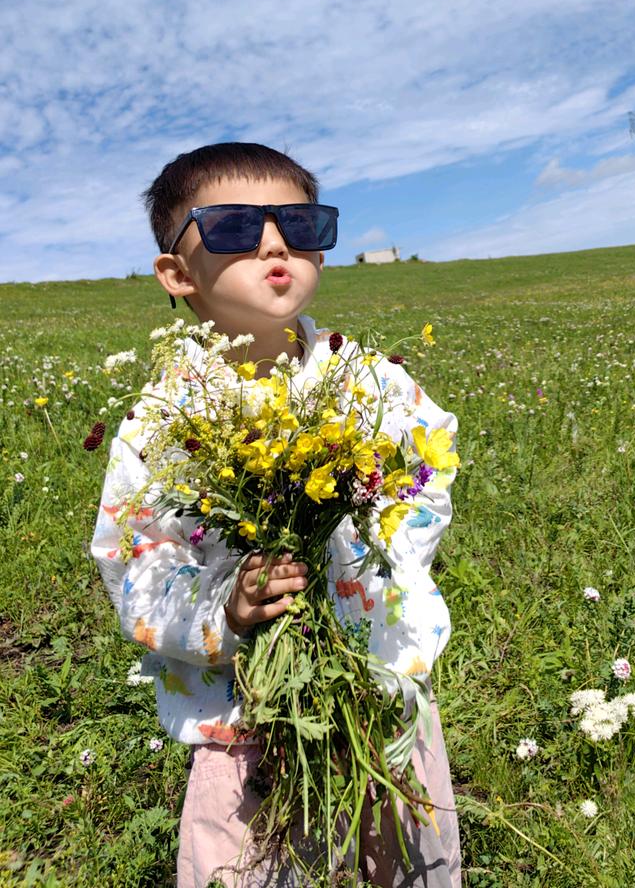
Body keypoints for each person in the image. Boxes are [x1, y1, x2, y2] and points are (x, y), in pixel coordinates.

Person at [91, 143, 461, 887]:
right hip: (242, 725)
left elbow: (430, 476)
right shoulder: (162, 420)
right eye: (232, 227)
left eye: (299, 223)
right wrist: (221, 613)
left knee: (414, 864)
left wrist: (377, 549)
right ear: (176, 274)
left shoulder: (372, 379)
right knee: (245, 870)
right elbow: (136, 562)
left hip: (381, 691)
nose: (272, 243)